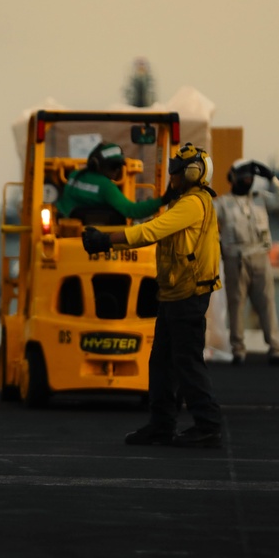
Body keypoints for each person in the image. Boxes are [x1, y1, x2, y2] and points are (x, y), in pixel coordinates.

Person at [81, 143, 223, 448]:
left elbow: (150, 232)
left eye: (178, 169)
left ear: (194, 173)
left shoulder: (193, 204)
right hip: (174, 294)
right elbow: (148, 229)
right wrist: (109, 243)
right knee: (161, 364)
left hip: (188, 295)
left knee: (186, 363)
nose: (172, 173)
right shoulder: (182, 202)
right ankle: (162, 425)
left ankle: (208, 424)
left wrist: (106, 240)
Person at [215, 159, 279, 366]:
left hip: (260, 257)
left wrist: (272, 178)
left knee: (267, 303)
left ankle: (276, 349)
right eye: (244, 178)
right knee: (236, 305)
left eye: (251, 178)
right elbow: (206, 219)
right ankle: (238, 350)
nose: (248, 181)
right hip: (235, 259)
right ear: (233, 179)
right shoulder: (223, 203)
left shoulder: (260, 199)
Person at [55, 142, 166, 220]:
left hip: (64, 225)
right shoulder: (106, 187)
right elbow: (132, 210)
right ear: (98, 165)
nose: (117, 170)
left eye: (119, 166)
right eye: (113, 166)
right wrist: (162, 200)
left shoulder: (74, 176)